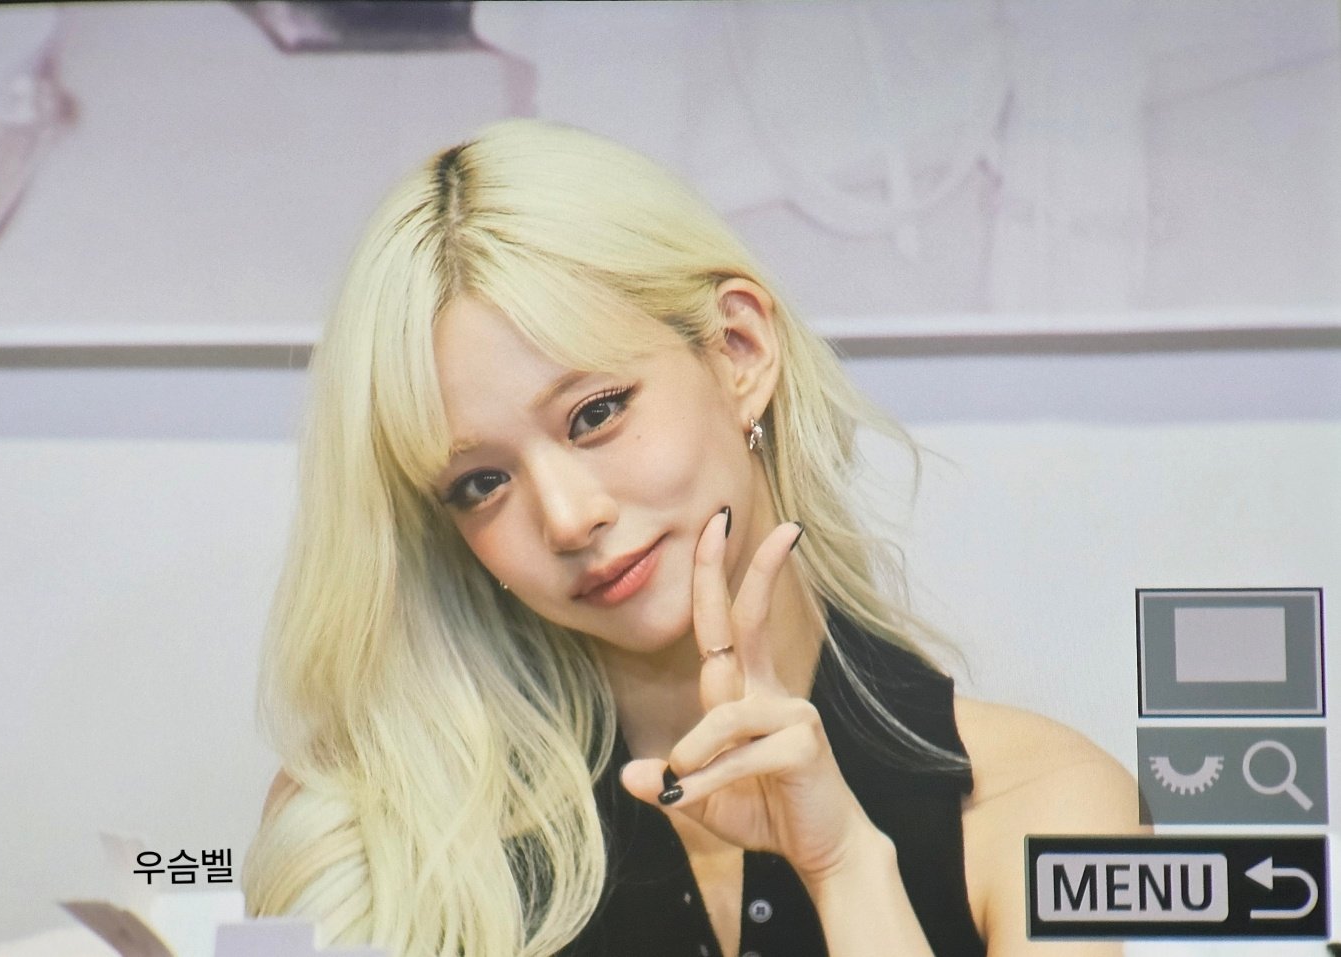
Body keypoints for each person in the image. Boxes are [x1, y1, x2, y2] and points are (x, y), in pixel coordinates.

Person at [244, 119, 1142, 956]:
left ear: (739, 349)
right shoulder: (367, 828)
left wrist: (845, 868)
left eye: (595, 413)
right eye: (481, 483)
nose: (567, 517)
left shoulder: (1052, 802)